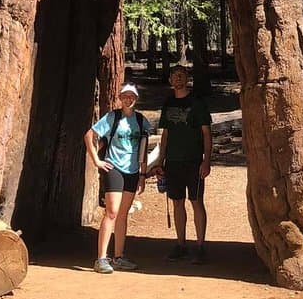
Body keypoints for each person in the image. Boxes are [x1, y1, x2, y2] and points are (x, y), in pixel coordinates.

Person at [85, 83, 149, 274]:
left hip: (132, 171)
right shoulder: (112, 117)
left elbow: (144, 149)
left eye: (132, 96)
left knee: (123, 214)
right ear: (120, 98)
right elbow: (89, 135)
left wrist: (143, 174)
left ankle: (119, 257)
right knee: (111, 212)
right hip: (114, 167)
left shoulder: (141, 121)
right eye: (125, 96)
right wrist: (97, 160)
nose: (128, 99)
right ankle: (101, 258)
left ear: (136, 99)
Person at [156, 65, 212, 264]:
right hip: (173, 162)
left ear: (187, 79)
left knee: (196, 201)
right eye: (174, 76)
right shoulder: (168, 103)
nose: (178, 79)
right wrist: (160, 160)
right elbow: (166, 134)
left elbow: (206, 133)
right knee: (177, 202)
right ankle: (181, 244)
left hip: (194, 161)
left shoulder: (197, 103)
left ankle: (200, 246)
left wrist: (206, 160)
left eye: (182, 76)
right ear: (170, 80)